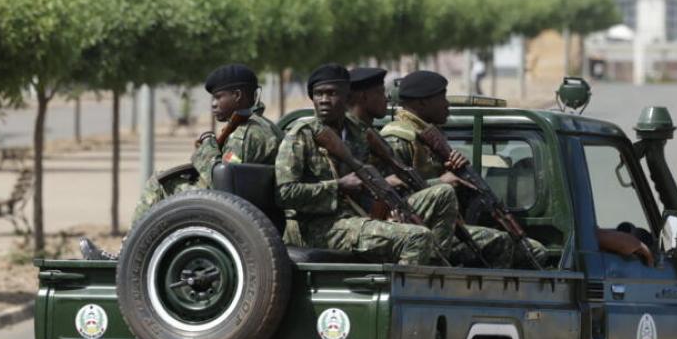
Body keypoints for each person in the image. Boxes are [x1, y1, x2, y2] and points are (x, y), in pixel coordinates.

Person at [275, 64, 447, 265]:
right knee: (417, 237)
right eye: (318, 94)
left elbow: (367, 184)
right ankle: (395, 294)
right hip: (316, 227)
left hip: (356, 217)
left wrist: (389, 208)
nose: (323, 100)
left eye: (331, 94)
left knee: (439, 197)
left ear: (347, 96)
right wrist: (338, 186)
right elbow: (284, 193)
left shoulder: (358, 133)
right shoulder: (302, 135)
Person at [380, 70, 546, 268]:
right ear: (421, 103)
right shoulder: (398, 139)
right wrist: (441, 182)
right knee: (500, 242)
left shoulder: (429, 136)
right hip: (412, 228)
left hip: (442, 224)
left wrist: (457, 173)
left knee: (534, 251)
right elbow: (388, 194)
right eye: (441, 97)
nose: (447, 104)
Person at [133, 64, 282, 223]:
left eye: (218, 97)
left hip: (237, 213)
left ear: (237, 95)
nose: (213, 104)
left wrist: (207, 151)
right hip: (252, 209)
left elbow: (223, 184)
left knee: (158, 184)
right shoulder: (265, 125)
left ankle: (131, 245)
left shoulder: (246, 133)